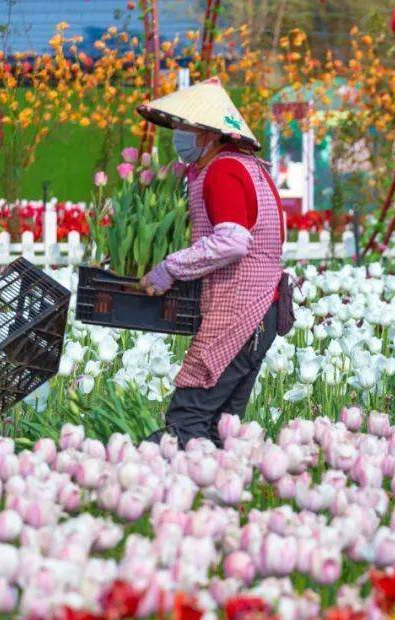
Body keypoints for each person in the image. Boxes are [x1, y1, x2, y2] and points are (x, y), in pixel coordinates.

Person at [137, 79, 285, 447]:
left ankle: (169, 493)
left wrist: (170, 267)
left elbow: (233, 241)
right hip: (260, 311)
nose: (178, 136)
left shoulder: (223, 171)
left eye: (184, 128)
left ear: (207, 133)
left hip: (240, 313)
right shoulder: (250, 167)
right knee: (222, 429)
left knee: (186, 423)